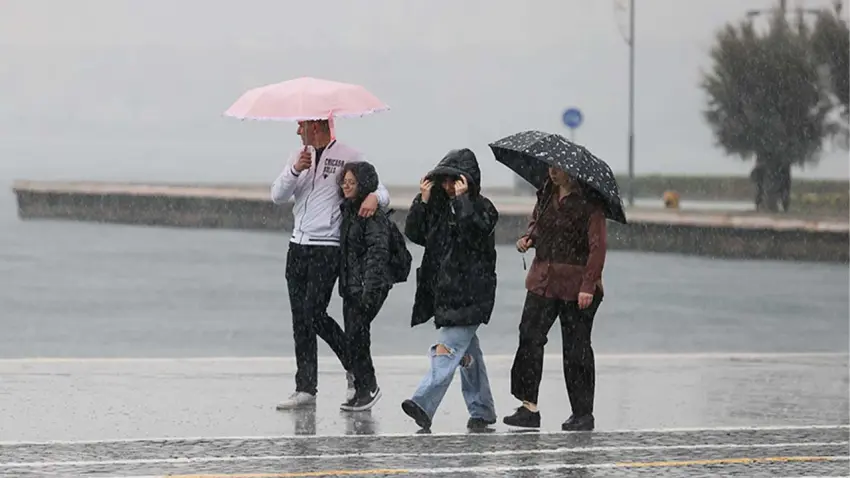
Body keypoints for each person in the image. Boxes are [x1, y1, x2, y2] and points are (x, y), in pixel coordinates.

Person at [270, 120, 390, 410]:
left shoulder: (349, 154)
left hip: (327, 249)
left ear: (316, 125)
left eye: (301, 125)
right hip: (297, 246)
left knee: (314, 313)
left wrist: (374, 196)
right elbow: (277, 196)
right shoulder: (297, 157)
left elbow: (382, 192)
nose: (298, 131)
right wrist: (295, 169)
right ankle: (305, 388)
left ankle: (355, 368)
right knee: (300, 319)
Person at [400, 148, 499, 431]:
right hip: (445, 293)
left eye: (454, 180)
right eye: (443, 180)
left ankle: (423, 401)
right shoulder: (439, 208)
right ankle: (482, 410)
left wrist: (463, 200)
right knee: (468, 356)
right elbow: (416, 234)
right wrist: (423, 200)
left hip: (472, 292)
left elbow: (475, 235)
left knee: (447, 348)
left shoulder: (483, 208)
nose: (448, 186)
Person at [502, 167, 607, 432]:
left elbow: (597, 248)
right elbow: (538, 226)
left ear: (572, 173)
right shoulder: (545, 195)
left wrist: (588, 286)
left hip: (577, 285)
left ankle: (583, 414)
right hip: (542, 280)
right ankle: (529, 408)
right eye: (548, 166)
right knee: (529, 336)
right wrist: (528, 239)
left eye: (557, 168)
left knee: (576, 349)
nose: (551, 171)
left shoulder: (590, 204)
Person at [337, 161, 395, 412]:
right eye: (344, 182)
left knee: (358, 335)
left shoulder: (371, 215)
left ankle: (368, 387)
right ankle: (362, 388)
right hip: (352, 285)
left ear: (363, 185)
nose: (346, 187)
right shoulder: (349, 210)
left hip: (368, 286)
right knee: (354, 336)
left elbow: (377, 253)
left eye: (352, 182)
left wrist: (369, 290)